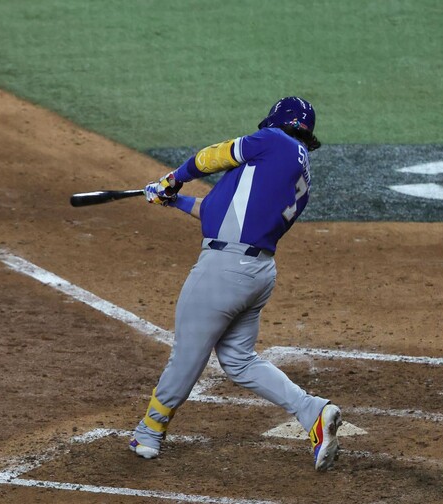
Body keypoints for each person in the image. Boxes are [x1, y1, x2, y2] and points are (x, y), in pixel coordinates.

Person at [129, 97, 342, 471]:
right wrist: (173, 201)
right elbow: (216, 211)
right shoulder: (297, 174)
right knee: (239, 360)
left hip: (223, 272)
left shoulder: (272, 141)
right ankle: (312, 411)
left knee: (188, 354)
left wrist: (172, 179)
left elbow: (213, 156)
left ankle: (149, 432)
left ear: (275, 122)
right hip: (256, 273)